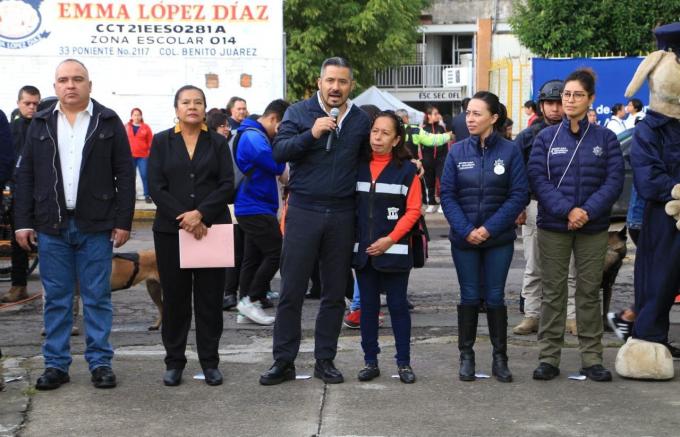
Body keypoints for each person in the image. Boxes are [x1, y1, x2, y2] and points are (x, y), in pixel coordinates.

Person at [14, 59, 135, 390]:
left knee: (97, 297)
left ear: (89, 85)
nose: (71, 85)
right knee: (56, 298)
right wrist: (22, 222)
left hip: (95, 225)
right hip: (50, 225)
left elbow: (125, 173)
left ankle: (100, 363)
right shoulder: (39, 123)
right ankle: (56, 365)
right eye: (64, 80)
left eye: (77, 79)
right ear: (55, 87)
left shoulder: (108, 122)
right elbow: (25, 176)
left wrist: (123, 219)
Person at [260, 57, 370, 386]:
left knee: (335, 293)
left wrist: (409, 166)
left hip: (341, 212)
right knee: (292, 290)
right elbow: (278, 152)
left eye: (343, 82)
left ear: (351, 85)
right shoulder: (298, 112)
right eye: (330, 81)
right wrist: (311, 133)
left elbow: (372, 159)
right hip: (305, 209)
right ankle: (284, 361)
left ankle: (326, 359)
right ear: (319, 82)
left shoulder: (361, 120)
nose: (336, 87)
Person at [528, 68, 624, 382]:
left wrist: (586, 211)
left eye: (577, 95)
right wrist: (568, 210)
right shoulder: (545, 137)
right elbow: (538, 181)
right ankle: (548, 358)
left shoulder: (606, 138)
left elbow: (613, 182)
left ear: (591, 99)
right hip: (553, 226)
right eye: (566, 95)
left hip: (593, 227)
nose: (569, 100)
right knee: (553, 293)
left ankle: (592, 359)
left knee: (587, 293)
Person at [147, 85, 234, 387]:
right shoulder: (161, 142)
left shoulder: (218, 143)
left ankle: (210, 362)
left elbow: (226, 185)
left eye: (198, 102)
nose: (192, 107)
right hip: (172, 231)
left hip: (211, 229)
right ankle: (174, 362)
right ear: (176, 108)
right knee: (176, 299)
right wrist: (185, 217)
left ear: (205, 108)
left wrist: (201, 214)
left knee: (210, 299)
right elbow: (156, 187)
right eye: (186, 102)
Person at [441, 91, 528, 382]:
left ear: (493, 117)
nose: (470, 118)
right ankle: (466, 357)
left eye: (477, 113)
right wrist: (466, 230)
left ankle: (499, 359)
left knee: (494, 297)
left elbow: (518, 195)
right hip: (464, 240)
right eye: (468, 113)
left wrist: (489, 229)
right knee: (468, 296)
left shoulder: (510, 151)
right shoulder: (456, 151)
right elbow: (448, 195)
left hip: (498, 239)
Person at [353, 111, 422, 384]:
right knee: (368, 309)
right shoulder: (357, 166)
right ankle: (370, 361)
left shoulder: (407, 171)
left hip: (394, 250)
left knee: (397, 307)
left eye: (385, 133)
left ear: (396, 140)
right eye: (374, 132)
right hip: (364, 253)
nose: (378, 137)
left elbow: (414, 210)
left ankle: (403, 363)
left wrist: (390, 239)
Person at [512, 79, 578, 337]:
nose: (554, 108)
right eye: (549, 103)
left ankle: (571, 317)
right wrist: (520, 206)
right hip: (535, 205)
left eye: (558, 102)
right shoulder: (528, 136)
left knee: (570, 267)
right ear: (541, 105)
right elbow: (517, 175)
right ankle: (532, 315)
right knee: (534, 265)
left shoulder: (579, 132)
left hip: (569, 206)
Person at [234, 99, 290, 325]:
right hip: (254, 206)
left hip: (255, 205)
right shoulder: (253, 136)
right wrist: (284, 146)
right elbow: (275, 164)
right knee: (278, 252)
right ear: (274, 119)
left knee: (253, 257)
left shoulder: (253, 134)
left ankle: (244, 307)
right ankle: (252, 299)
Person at [2, 85, 40, 303]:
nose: (32, 107)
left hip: (42, 192)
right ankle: (18, 286)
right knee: (19, 242)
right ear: (19, 103)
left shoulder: (45, 126)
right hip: (18, 191)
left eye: (36, 103)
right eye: (27, 103)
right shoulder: (11, 128)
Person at [421, 104, 448, 213]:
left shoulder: (441, 128)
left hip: (441, 159)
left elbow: (446, 143)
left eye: (438, 113)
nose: (438, 116)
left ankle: (443, 204)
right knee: (429, 182)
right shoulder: (423, 129)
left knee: (442, 181)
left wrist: (446, 157)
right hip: (428, 159)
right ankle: (431, 203)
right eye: (435, 114)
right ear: (428, 116)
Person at [125, 108, 153, 203]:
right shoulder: (126, 127)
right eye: (135, 115)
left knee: (145, 175)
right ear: (131, 116)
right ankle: (131, 195)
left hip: (143, 156)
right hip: (130, 156)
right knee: (131, 176)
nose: (136, 117)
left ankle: (147, 195)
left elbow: (150, 141)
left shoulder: (146, 127)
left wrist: (149, 153)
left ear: (141, 116)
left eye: (138, 115)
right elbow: (122, 141)